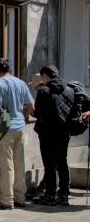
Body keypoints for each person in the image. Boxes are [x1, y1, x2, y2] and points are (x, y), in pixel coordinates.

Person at [0, 58, 34, 209]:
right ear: (11, 70)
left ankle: (6, 200)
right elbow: (30, 106)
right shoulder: (21, 83)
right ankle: (20, 197)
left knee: (5, 165)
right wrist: (23, 117)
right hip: (20, 127)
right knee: (19, 164)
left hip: (4, 129)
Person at [32, 65, 73, 206]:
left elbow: (37, 113)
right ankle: (64, 194)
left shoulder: (43, 91)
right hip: (64, 132)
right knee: (62, 162)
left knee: (49, 164)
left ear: (45, 76)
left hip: (48, 132)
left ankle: (50, 194)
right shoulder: (69, 90)